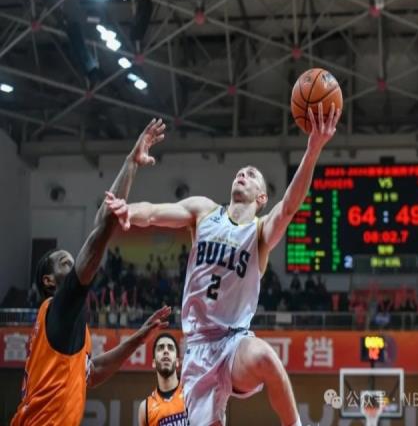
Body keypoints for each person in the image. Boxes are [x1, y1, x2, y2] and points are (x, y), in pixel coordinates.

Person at [106, 103, 342, 426]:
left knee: (266, 357)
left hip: (234, 342)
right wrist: (128, 210)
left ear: (261, 198)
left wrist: (313, 149)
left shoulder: (260, 232)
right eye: (240, 172)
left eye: (252, 175)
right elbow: (154, 212)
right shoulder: (203, 212)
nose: (242, 174)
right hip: (197, 348)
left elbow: (289, 207)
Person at [11, 119, 168, 426]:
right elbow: (100, 233)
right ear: (48, 281)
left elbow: (92, 372)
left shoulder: (63, 327)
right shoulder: (57, 307)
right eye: (64, 263)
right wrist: (130, 165)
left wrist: (138, 338)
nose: (73, 266)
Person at [138, 333, 188, 426]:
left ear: (177, 362)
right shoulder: (145, 408)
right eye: (161, 348)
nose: (166, 351)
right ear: (153, 363)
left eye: (170, 348)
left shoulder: (190, 393)